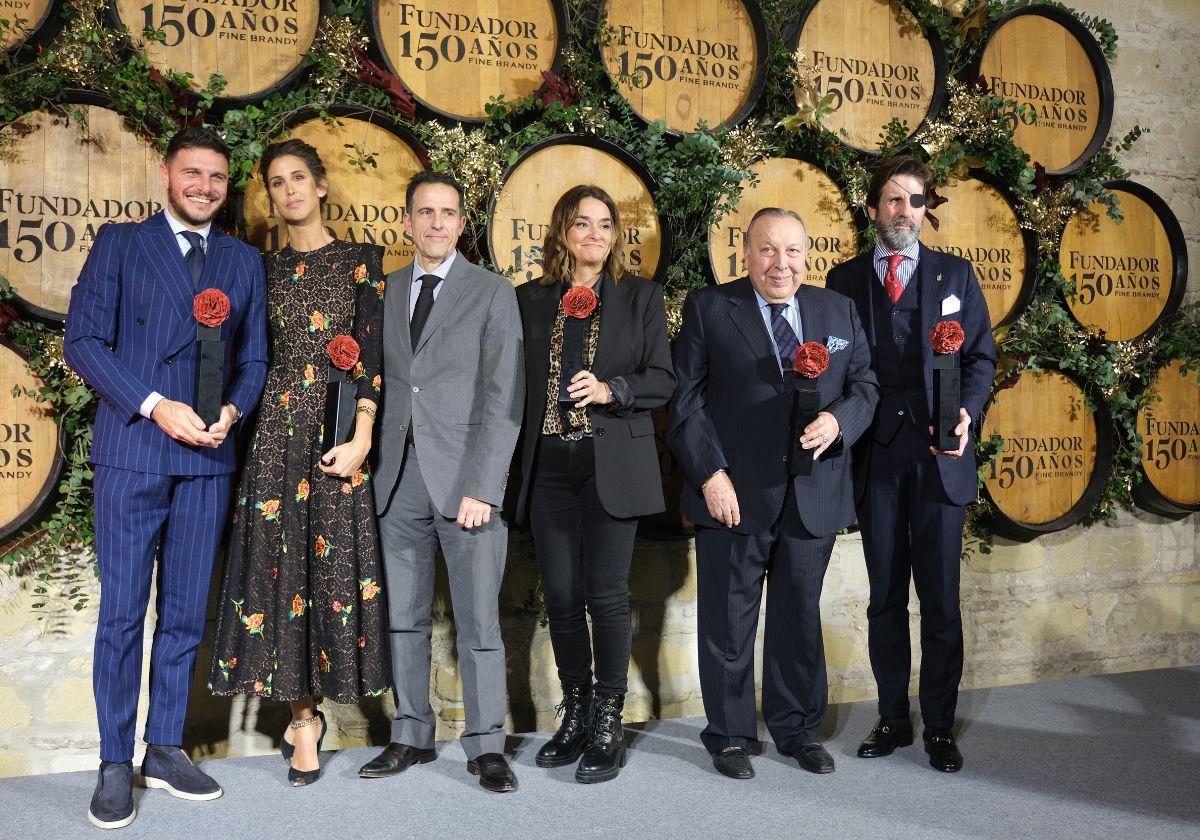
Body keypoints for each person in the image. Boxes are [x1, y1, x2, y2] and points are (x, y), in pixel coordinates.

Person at [64, 127, 268, 829]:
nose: (204, 187)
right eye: (192, 173)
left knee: (183, 615)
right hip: (133, 451)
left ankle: (165, 748)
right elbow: (83, 342)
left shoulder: (242, 260)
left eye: (216, 177)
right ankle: (114, 761)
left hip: (208, 458)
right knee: (123, 613)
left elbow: (254, 359)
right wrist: (156, 405)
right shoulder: (121, 244)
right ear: (166, 173)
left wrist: (233, 411)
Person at [668, 207, 878, 781]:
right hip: (733, 494)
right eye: (767, 250)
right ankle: (730, 735)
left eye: (791, 251)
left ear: (807, 256)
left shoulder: (837, 310)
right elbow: (686, 403)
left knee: (799, 617)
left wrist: (838, 422)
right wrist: (710, 476)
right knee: (728, 622)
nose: (780, 263)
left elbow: (865, 386)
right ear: (745, 254)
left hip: (814, 494)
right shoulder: (710, 308)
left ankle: (796, 728)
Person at [206, 139, 390, 786]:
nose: (289, 191)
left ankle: (334, 706)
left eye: (298, 178)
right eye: (277, 182)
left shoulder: (363, 262)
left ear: (321, 185)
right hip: (275, 441)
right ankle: (304, 719)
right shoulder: (261, 269)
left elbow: (372, 355)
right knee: (282, 580)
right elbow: (244, 355)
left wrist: (364, 433)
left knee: (331, 575)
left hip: (337, 438)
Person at [826, 154, 996, 773]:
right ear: (873, 208)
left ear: (925, 210)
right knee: (885, 597)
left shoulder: (956, 275)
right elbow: (835, 363)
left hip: (939, 456)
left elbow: (980, 359)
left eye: (916, 201)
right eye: (894, 200)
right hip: (876, 456)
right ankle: (893, 717)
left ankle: (940, 726)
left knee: (942, 599)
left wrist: (966, 412)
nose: (905, 212)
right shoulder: (843, 281)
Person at [357, 172, 524, 792]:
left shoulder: (492, 292)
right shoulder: (386, 289)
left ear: (461, 224)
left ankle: (486, 746)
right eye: (424, 212)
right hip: (396, 480)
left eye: (447, 213)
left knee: (479, 624)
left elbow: (506, 395)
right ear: (407, 222)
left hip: (466, 482)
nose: (435, 223)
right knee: (403, 619)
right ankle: (411, 734)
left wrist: (485, 486)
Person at [513, 185, 675, 783]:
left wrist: (613, 390)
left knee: (605, 594)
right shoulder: (530, 300)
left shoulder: (640, 297)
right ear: (563, 231)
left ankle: (610, 717)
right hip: (549, 466)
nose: (596, 235)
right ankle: (576, 712)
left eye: (606, 225)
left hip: (612, 462)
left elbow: (663, 378)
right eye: (583, 223)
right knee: (559, 595)